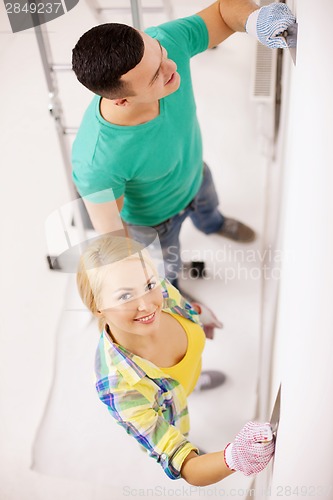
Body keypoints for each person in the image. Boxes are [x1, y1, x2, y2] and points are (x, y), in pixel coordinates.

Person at [71, 1, 296, 288]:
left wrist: (255, 20)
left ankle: (213, 225)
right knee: (167, 271)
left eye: (161, 54)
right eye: (156, 75)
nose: (172, 65)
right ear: (122, 100)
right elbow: (114, 237)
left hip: (195, 176)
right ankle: (172, 292)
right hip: (156, 223)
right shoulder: (97, 161)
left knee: (210, 210)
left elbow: (223, 12)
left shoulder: (163, 44)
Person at [76, 233, 275, 485]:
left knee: (182, 384)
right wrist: (233, 457)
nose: (147, 305)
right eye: (125, 296)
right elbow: (188, 467)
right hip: (170, 410)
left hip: (181, 381)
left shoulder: (160, 290)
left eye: (149, 286)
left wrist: (198, 315)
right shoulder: (121, 390)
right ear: (97, 308)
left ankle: (192, 384)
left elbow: (178, 302)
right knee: (181, 428)